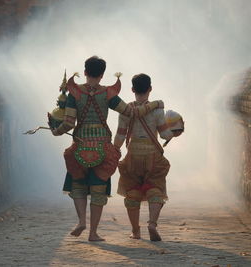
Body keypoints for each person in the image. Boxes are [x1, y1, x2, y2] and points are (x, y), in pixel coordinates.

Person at [51, 56, 163, 241]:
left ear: (85, 72)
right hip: (103, 147)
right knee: (98, 188)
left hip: (80, 145)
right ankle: (93, 233)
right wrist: (156, 104)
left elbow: (69, 123)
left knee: (78, 184)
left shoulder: (75, 92)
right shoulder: (108, 94)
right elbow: (132, 112)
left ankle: (81, 222)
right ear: (102, 75)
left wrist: (57, 131)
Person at [114, 73, 183, 241]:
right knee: (155, 189)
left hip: (133, 155)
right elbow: (165, 135)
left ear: (132, 90)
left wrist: (114, 151)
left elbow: (120, 137)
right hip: (152, 155)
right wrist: (175, 131)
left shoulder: (126, 111)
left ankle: (136, 231)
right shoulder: (157, 110)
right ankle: (152, 223)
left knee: (132, 192)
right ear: (150, 89)